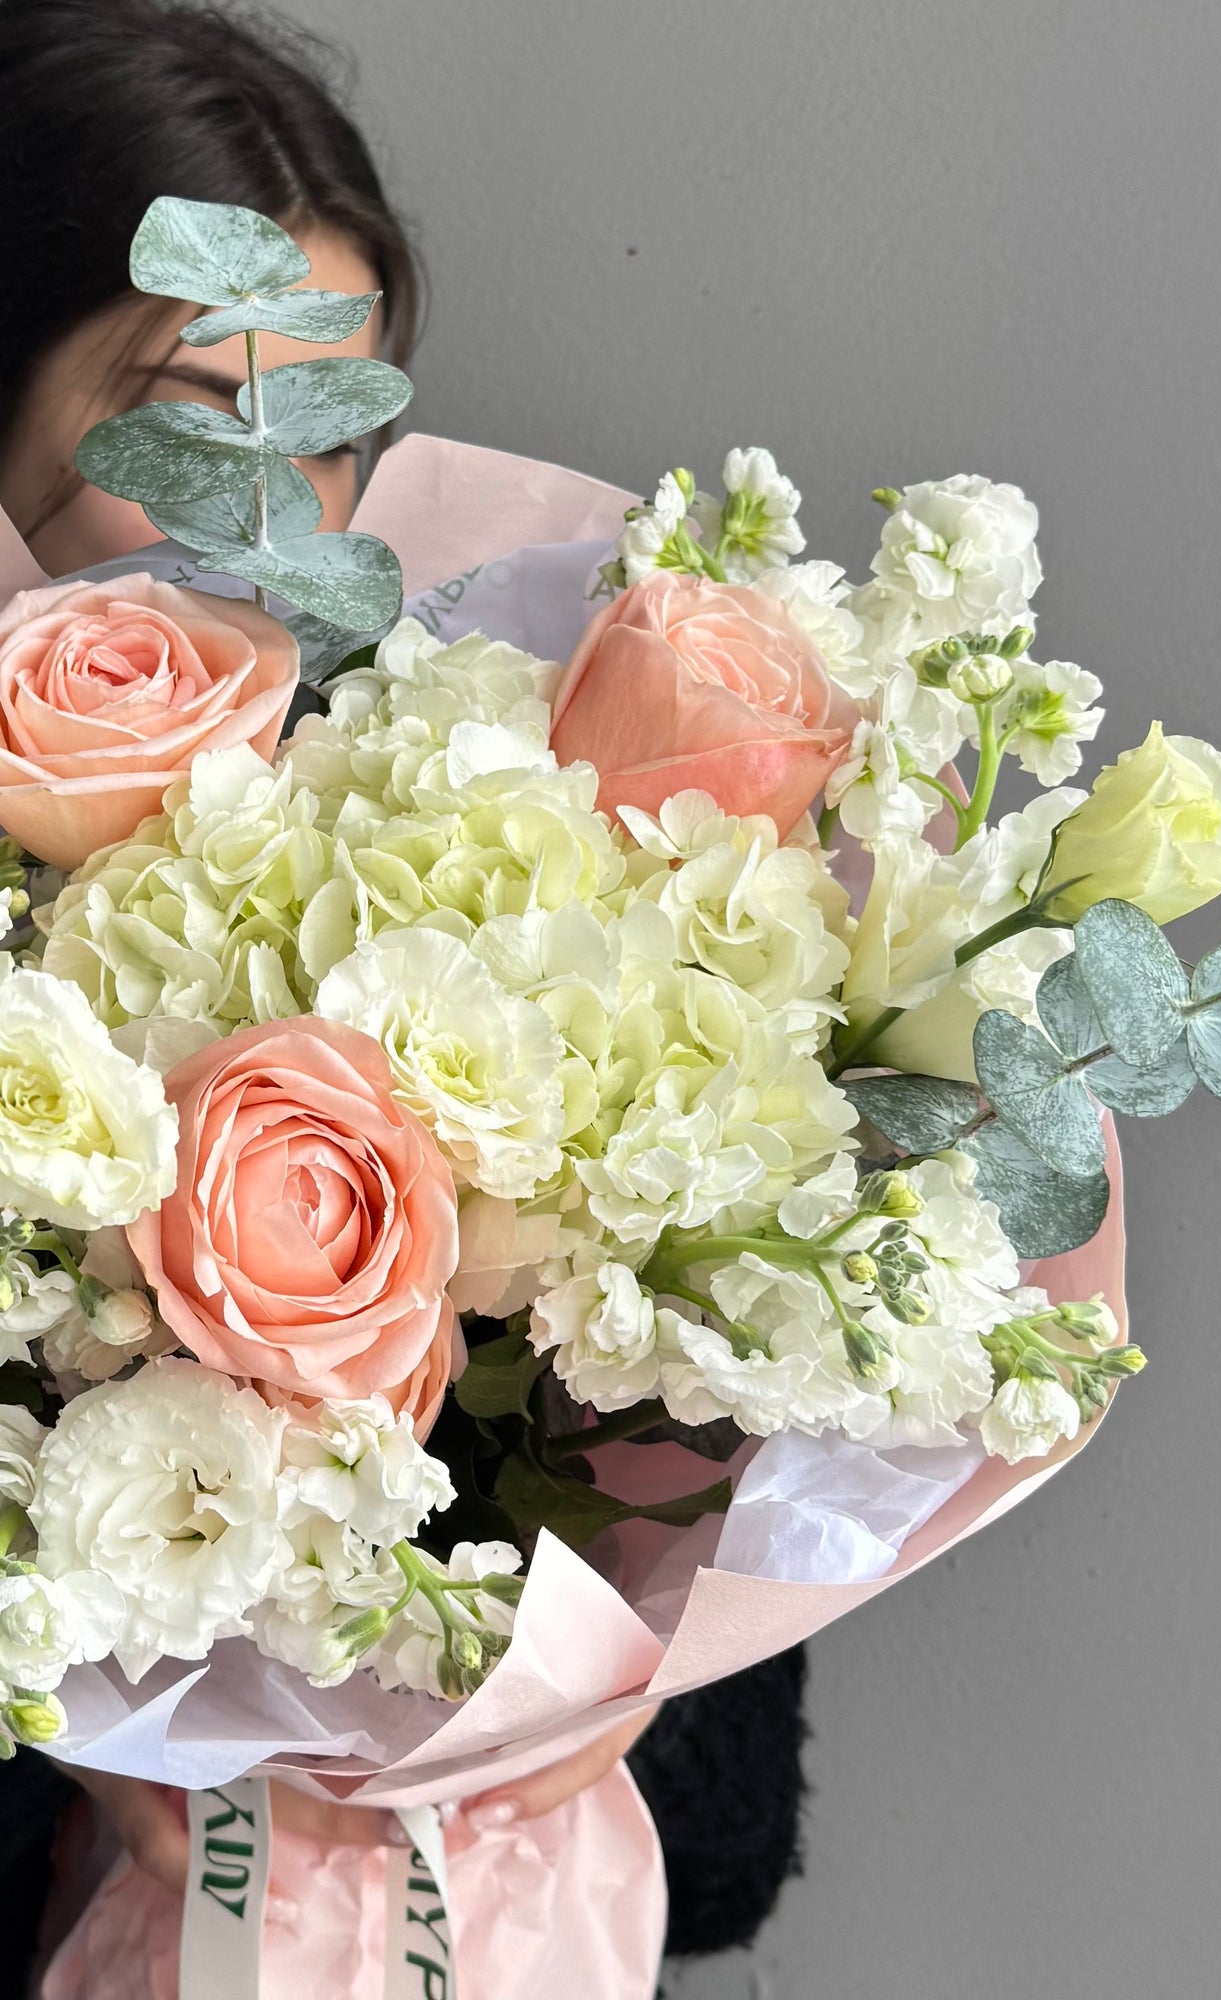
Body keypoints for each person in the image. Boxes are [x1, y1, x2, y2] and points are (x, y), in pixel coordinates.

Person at [0, 0, 806, 1979]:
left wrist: (476, 1755)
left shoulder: (525, 923)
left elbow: (719, 1842)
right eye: (183, 425)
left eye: (334, 434)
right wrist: (108, 1768)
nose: (274, 524)